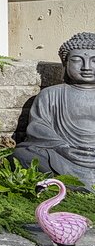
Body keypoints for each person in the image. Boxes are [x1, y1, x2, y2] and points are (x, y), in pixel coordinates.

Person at [14, 32, 95, 190]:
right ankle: (68, 182)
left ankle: (65, 183)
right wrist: (62, 147)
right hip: (63, 154)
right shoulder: (51, 94)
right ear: (65, 64)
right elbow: (38, 126)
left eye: (94, 61)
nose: (86, 67)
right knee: (22, 155)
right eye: (77, 60)